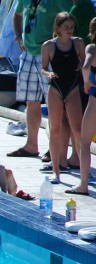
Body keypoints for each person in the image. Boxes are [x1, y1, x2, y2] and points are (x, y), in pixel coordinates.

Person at [8, 0, 73, 158]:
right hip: (29, 53)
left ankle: (55, 148)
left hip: (49, 54)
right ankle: (31, 145)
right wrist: (18, 36)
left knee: (55, 105)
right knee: (31, 101)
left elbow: (71, 19)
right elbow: (17, 15)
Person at [40, 12, 85, 184]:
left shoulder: (78, 43)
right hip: (56, 88)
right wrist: (48, 73)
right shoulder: (48, 46)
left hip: (72, 87)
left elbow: (84, 61)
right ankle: (56, 171)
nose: (69, 30)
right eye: (66, 27)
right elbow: (43, 68)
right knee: (56, 129)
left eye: (72, 27)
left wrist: (82, 65)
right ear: (57, 28)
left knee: (78, 131)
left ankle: (83, 168)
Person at [66, 17, 96, 195]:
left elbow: (86, 66)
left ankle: (83, 184)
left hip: (95, 100)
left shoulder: (92, 47)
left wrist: (86, 82)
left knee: (84, 143)